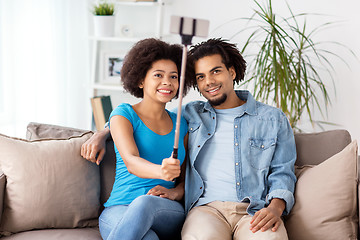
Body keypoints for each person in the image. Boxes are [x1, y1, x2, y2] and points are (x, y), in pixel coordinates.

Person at [82, 38, 296, 240]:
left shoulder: (270, 119)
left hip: (250, 209)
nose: (209, 82)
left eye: (216, 72)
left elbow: (283, 171)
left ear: (232, 72)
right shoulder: (192, 114)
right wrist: (102, 133)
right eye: (201, 76)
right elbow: (136, 124)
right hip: (195, 209)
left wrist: (275, 207)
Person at [82, 38, 191, 240]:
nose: (167, 82)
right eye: (158, 75)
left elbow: (186, 177)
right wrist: (161, 171)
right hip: (119, 208)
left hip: (165, 209)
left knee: (144, 203)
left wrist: (177, 192)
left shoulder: (181, 124)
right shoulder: (123, 114)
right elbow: (131, 161)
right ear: (141, 80)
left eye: (174, 76)